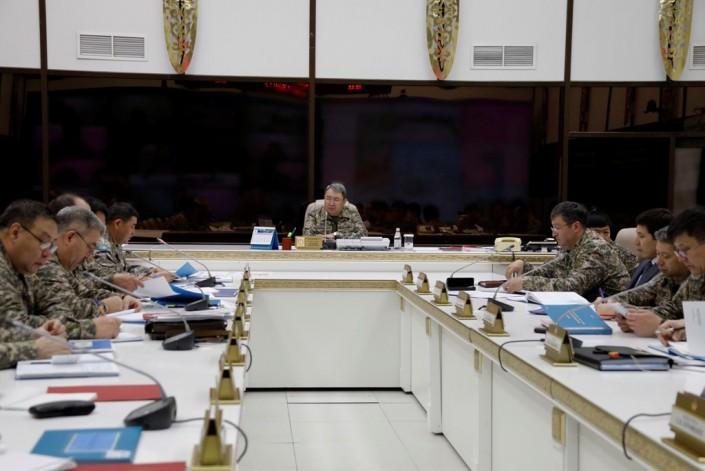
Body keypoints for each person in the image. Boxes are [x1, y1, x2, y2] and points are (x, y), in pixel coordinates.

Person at [31, 206, 137, 339]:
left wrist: (122, 298)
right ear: (70, 237)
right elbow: (67, 309)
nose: (89, 256)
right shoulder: (47, 264)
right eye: (90, 247)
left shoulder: (62, 262)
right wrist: (103, 307)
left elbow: (83, 292)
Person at [504, 201, 630, 299]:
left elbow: (573, 287)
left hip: (613, 312)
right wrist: (524, 267)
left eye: (557, 228)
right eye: (553, 228)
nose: (554, 234)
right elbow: (552, 271)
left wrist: (526, 283)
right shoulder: (570, 243)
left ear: (576, 227)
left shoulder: (594, 248)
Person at [0, 199, 71, 369]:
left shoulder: (22, 267)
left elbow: (57, 305)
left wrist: (52, 326)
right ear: (15, 233)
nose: (47, 254)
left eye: (51, 247)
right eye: (43, 242)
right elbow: (9, 327)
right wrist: (33, 350)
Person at [596, 227, 689, 336]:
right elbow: (636, 295)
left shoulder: (695, 280)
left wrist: (620, 309)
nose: (659, 261)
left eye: (666, 256)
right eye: (658, 254)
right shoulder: (665, 277)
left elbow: (674, 315)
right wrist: (611, 301)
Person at [88, 201, 175, 285]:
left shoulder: (115, 242)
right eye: (132, 226)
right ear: (118, 224)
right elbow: (114, 279)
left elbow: (124, 269)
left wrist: (149, 271)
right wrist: (153, 277)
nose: (134, 232)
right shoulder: (102, 246)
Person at [653, 207, 705, 344]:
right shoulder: (697, 276)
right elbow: (674, 308)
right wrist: (683, 327)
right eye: (678, 252)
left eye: (685, 250)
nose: (681, 259)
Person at [624, 208, 672, 289]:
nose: (636, 242)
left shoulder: (666, 269)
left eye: (641, 236)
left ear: (659, 237)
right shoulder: (645, 262)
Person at [303, 182, 368, 239]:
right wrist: (325, 238)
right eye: (328, 199)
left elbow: (363, 234)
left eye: (336, 199)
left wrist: (336, 235)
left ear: (344, 201)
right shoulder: (314, 215)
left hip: (345, 249)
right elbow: (307, 236)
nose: (331, 203)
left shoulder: (353, 215)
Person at [586, 209, 638, 275]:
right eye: (596, 232)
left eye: (606, 232)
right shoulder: (577, 249)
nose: (602, 237)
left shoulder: (623, 254)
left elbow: (636, 277)